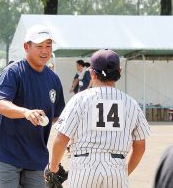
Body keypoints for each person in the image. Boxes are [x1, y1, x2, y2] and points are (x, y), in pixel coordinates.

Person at [47, 49, 151, 188]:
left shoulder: (80, 99)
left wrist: (53, 168)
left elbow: (61, 139)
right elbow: (140, 146)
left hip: (84, 168)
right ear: (120, 72)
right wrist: (123, 172)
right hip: (116, 167)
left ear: (92, 73)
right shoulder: (131, 103)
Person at [0, 24, 65, 188]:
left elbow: (58, 116)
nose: (45, 51)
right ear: (26, 47)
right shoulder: (12, 73)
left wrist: (71, 131)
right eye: (39, 46)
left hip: (36, 156)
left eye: (48, 46)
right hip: (6, 154)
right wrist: (26, 112)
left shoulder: (54, 80)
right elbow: (2, 105)